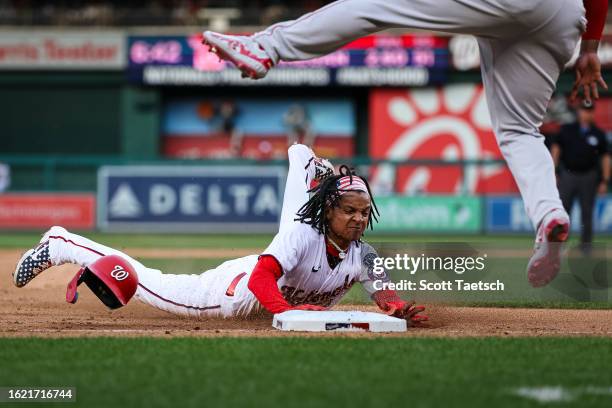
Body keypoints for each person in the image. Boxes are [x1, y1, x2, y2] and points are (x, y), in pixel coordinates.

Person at [202, 0, 608, 287]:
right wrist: (590, 49)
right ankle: (549, 218)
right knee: (520, 130)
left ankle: (264, 46)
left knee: (373, 4)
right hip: (565, 13)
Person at [12, 145, 426, 323]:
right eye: (350, 210)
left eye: (364, 213)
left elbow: (384, 296)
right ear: (330, 210)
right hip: (228, 296)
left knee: (300, 161)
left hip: (267, 297)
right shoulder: (302, 234)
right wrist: (288, 312)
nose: (358, 219)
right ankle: (63, 242)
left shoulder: (365, 255)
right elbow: (263, 278)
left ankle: (307, 163)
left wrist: (396, 308)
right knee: (147, 283)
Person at [551, 100, 611, 254]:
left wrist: (604, 180)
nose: (586, 113)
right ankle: (558, 245)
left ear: (593, 112)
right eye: (584, 110)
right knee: (563, 211)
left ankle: (586, 246)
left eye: (589, 110)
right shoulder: (567, 129)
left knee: (587, 212)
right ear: (579, 111)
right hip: (568, 175)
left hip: (589, 176)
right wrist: (554, 171)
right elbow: (556, 149)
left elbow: (605, 158)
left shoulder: (598, 133)